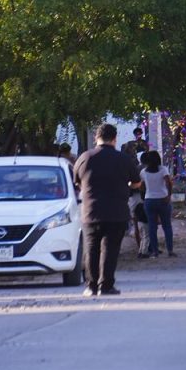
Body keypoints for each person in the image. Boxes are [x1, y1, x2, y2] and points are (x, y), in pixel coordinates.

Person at [73, 123, 140, 296]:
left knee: (91, 248)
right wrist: (127, 185)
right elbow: (137, 182)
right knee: (110, 250)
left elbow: (77, 181)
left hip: (91, 211)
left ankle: (91, 286)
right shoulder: (123, 159)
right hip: (116, 211)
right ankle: (106, 285)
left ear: (96, 138)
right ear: (115, 139)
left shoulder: (84, 158)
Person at [140, 150, 175, 257]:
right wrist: (169, 195)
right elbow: (168, 182)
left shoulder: (143, 172)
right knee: (167, 226)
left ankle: (155, 251)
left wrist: (144, 197)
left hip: (149, 200)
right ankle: (170, 250)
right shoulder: (163, 170)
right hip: (163, 199)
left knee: (152, 227)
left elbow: (142, 187)